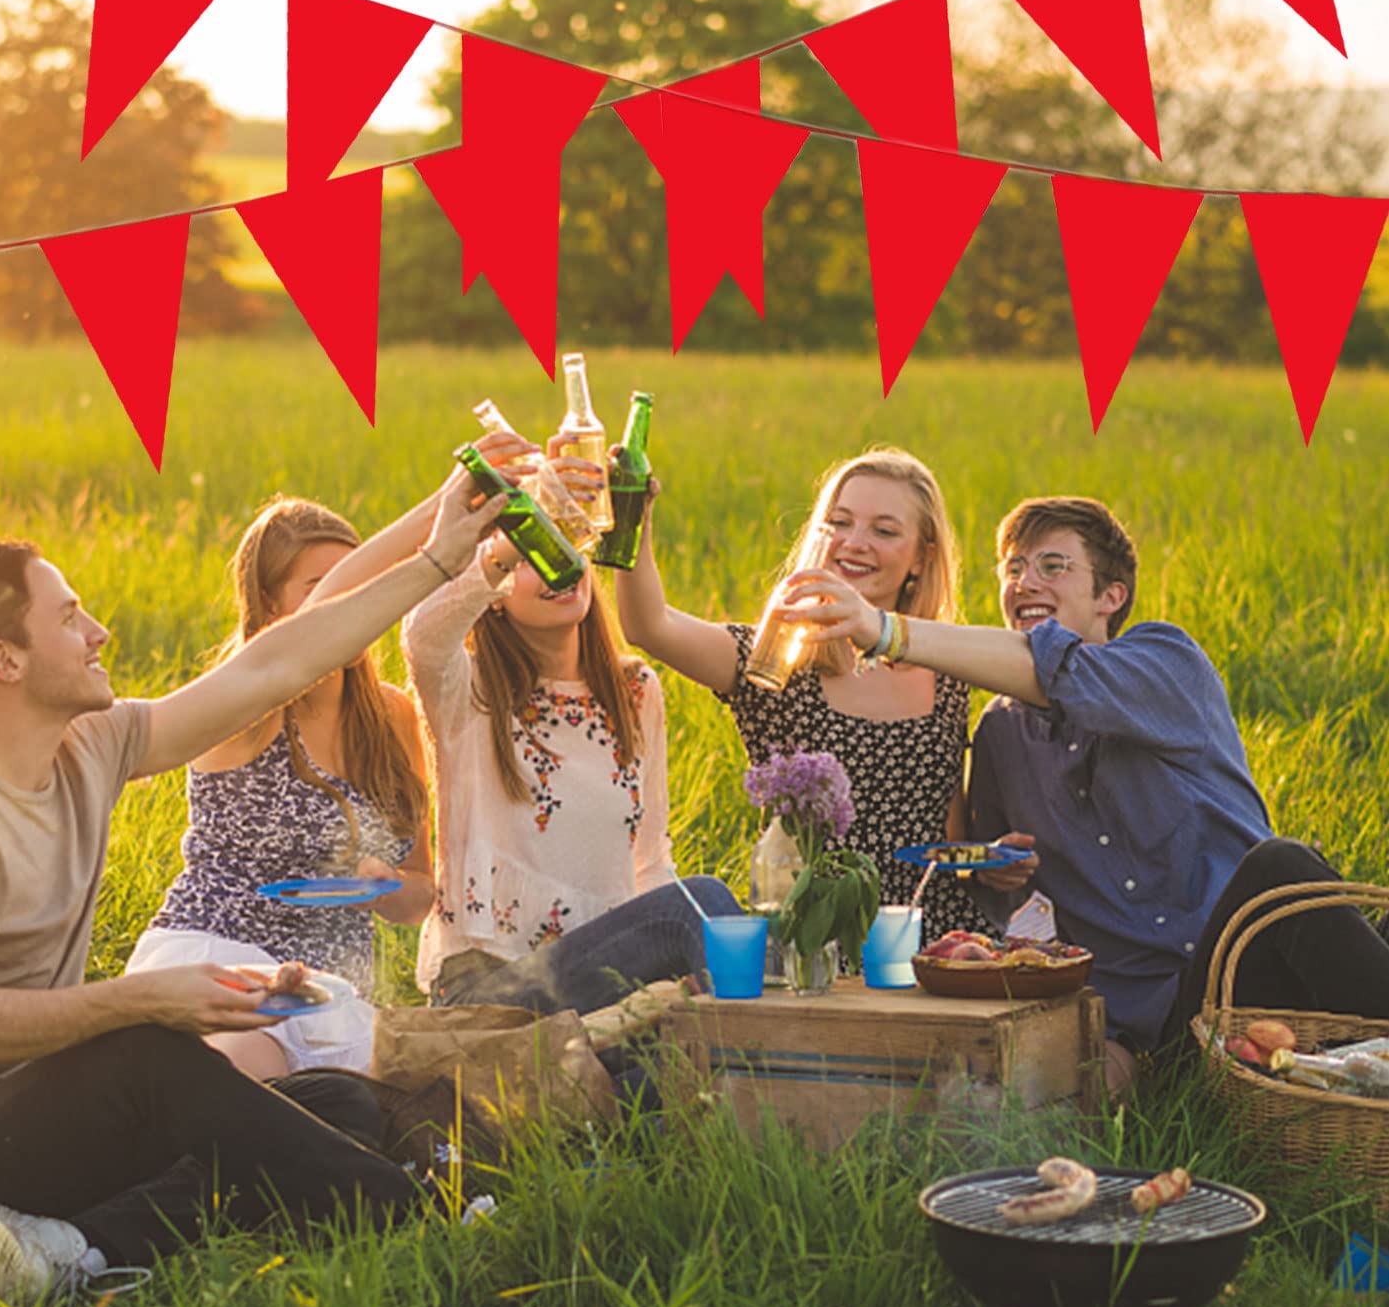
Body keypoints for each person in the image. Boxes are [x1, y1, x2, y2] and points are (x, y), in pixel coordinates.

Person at [0, 469, 500, 1303]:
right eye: (69, 618)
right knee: (152, 1058)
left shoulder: (91, 746)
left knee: (332, 1099)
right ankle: (422, 1214)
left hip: (44, 1110)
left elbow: (278, 660)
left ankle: (78, 1249)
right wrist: (144, 999)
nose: (100, 631)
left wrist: (439, 553)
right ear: (5, 660)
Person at [781, 493, 1389, 1088]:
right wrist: (999, 874)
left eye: (1053, 566)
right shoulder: (1000, 732)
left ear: (1111, 596)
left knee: (1282, 866)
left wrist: (884, 629)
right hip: (1162, 1026)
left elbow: (1062, 671)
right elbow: (994, 885)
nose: (1025, 582)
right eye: (1013, 568)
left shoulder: (1167, 663)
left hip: (1260, 969)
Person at [614, 445, 1028, 946]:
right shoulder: (775, 659)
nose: (854, 543)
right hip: (815, 944)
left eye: (884, 531)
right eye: (839, 522)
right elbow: (648, 625)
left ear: (922, 557)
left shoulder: (946, 673)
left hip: (929, 939)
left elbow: (947, 842)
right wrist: (634, 521)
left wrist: (989, 864)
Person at [402, 435, 741, 1016]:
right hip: (489, 992)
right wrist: (514, 534)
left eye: (565, 545)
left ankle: (773, 1049)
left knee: (718, 956)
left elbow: (650, 861)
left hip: (603, 986)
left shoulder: (634, 692)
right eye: (533, 556)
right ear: (495, 595)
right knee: (704, 903)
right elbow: (421, 636)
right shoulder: (469, 691)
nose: (556, 566)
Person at [126, 498, 434, 1080]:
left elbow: (419, 894)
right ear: (270, 605)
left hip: (329, 993)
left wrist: (383, 886)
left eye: (367, 586)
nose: (356, 605)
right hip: (219, 958)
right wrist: (436, 516)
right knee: (251, 1077)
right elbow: (300, 647)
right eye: (327, 589)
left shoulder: (395, 716)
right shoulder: (250, 708)